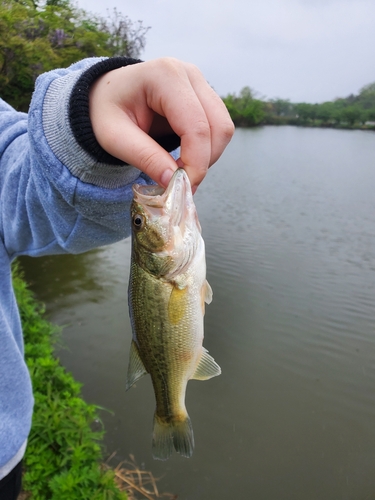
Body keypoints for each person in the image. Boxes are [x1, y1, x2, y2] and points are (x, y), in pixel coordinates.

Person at [0, 55, 234, 498]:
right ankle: (171, 411)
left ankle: (170, 409)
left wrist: (91, 131)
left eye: (140, 226)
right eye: (143, 226)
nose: (145, 219)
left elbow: (18, 186)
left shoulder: (168, 269)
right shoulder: (172, 269)